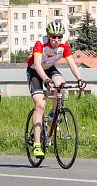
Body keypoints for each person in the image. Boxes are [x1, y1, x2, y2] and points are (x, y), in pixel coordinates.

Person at [27, 21, 86, 159]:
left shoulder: (64, 45)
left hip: (50, 68)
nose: (57, 40)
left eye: (59, 37)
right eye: (54, 37)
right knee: (40, 105)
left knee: (61, 85)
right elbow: (37, 65)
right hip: (35, 71)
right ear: (48, 35)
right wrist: (46, 80)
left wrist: (79, 79)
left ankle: (53, 115)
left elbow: (72, 64)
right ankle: (36, 145)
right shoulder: (40, 43)